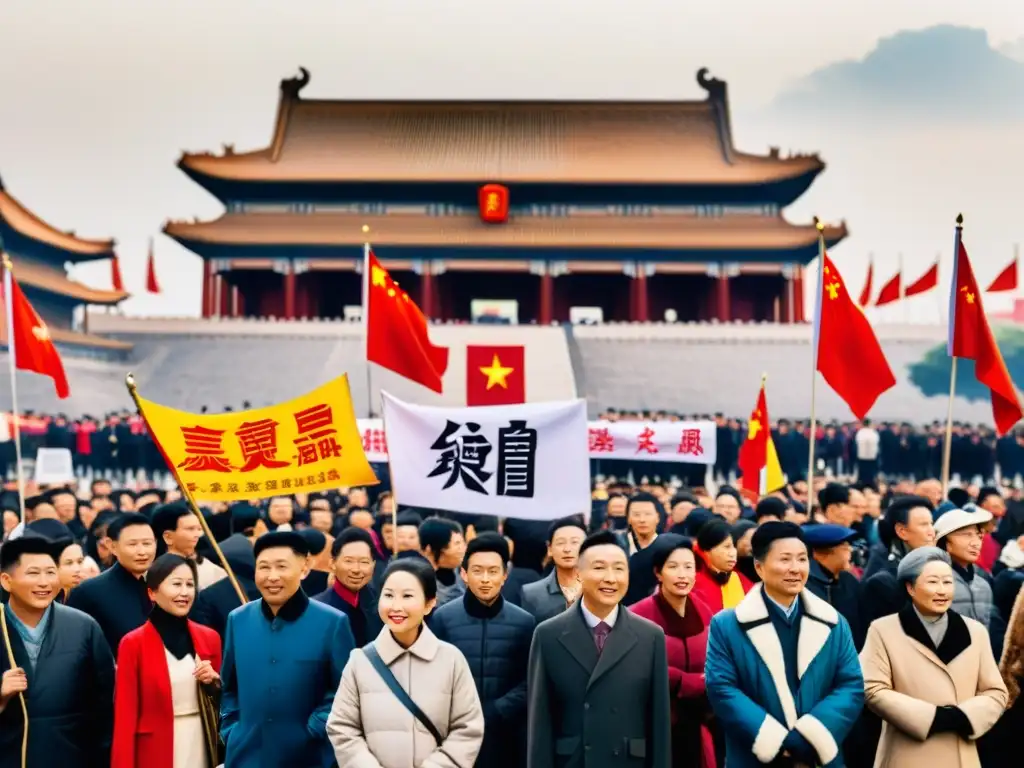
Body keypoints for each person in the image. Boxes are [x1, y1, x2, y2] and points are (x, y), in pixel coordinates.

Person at [705, 522, 863, 768]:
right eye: (785, 559)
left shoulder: (832, 621)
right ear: (759, 567)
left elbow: (851, 684)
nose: (795, 569)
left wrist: (810, 736)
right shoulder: (727, 625)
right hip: (754, 756)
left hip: (818, 756)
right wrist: (775, 740)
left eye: (802, 559)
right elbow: (722, 688)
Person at [526, 529, 671, 768]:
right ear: (579, 574)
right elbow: (540, 722)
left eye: (619, 568)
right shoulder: (548, 634)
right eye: (599, 567)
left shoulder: (650, 635)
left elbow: (659, 722)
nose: (610, 578)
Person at [327, 558, 485, 768]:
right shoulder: (360, 661)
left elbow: (468, 728)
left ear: (429, 603)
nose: (396, 606)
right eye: (389, 595)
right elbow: (342, 727)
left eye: (408, 596)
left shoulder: (451, 660)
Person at [859, 547, 1007, 768]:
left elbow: (995, 692)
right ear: (910, 587)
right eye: (933, 582)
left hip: (961, 753)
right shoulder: (883, 630)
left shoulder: (975, 632)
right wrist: (931, 717)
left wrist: (963, 716)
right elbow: (872, 688)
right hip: (906, 754)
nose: (942, 591)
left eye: (948, 582)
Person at [220, 530, 355, 768]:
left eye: (282, 566)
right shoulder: (237, 619)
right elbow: (229, 686)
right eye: (264, 567)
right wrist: (232, 729)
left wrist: (313, 729)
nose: (272, 577)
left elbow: (344, 690)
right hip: (246, 754)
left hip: (308, 756)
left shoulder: (332, 622)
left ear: (304, 569)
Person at [0, 536, 115, 768]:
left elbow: (104, 706)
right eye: (33, 573)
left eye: (50, 572)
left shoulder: (83, 626)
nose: (44, 582)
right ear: (6, 580)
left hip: (71, 754)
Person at [432, 532, 535, 768]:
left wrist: (499, 709)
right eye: (477, 571)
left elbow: (530, 678)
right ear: (465, 574)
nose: (486, 579)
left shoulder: (524, 622)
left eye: (493, 571)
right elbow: (433, 673)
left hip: (505, 733)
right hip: (453, 731)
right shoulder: (443, 618)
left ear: (504, 575)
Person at [112, 553, 222, 768]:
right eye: (176, 584)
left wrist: (214, 682)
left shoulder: (210, 638)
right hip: (154, 750)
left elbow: (226, 705)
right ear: (152, 593)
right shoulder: (133, 643)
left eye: (190, 584)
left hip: (203, 743)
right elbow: (125, 718)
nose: (184, 592)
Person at [629, 535, 716, 768]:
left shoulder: (703, 608)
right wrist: (686, 682)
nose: (682, 574)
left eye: (689, 567)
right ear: (658, 573)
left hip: (700, 718)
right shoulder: (637, 614)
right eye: (673, 567)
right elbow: (637, 664)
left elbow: (718, 654)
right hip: (655, 719)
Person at [67, 513, 157, 658]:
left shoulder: (167, 585)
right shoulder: (89, 592)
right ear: (112, 546)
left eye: (147, 543)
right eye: (132, 544)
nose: (142, 552)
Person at [314, 527, 383, 647]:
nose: (356, 569)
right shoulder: (316, 609)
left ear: (373, 565)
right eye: (349, 561)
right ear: (332, 563)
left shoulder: (382, 604)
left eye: (364, 562)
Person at [803, 524, 866, 650]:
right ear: (821, 555)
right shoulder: (805, 587)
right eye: (844, 548)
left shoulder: (848, 580)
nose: (850, 551)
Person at [933, 506, 994, 628]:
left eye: (978, 536)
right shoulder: (935, 582)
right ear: (945, 542)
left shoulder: (983, 585)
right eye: (967, 535)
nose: (976, 543)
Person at [520, 517, 586, 623]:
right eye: (560, 543)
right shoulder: (532, 593)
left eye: (575, 542)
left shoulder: (599, 588)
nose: (567, 549)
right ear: (549, 549)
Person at [150, 502, 226, 589]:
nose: (198, 534)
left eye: (199, 528)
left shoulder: (212, 570)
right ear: (168, 536)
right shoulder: (148, 572)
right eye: (190, 529)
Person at [691, 518, 753, 615]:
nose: (732, 553)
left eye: (734, 547)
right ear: (707, 550)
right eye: (727, 547)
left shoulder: (740, 579)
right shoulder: (693, 583)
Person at [419, 516, 467, 606]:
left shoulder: (464, 576)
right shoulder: (417, 582)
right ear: (430, 550)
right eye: (457, 544)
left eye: (462, 542)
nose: (463, 548)